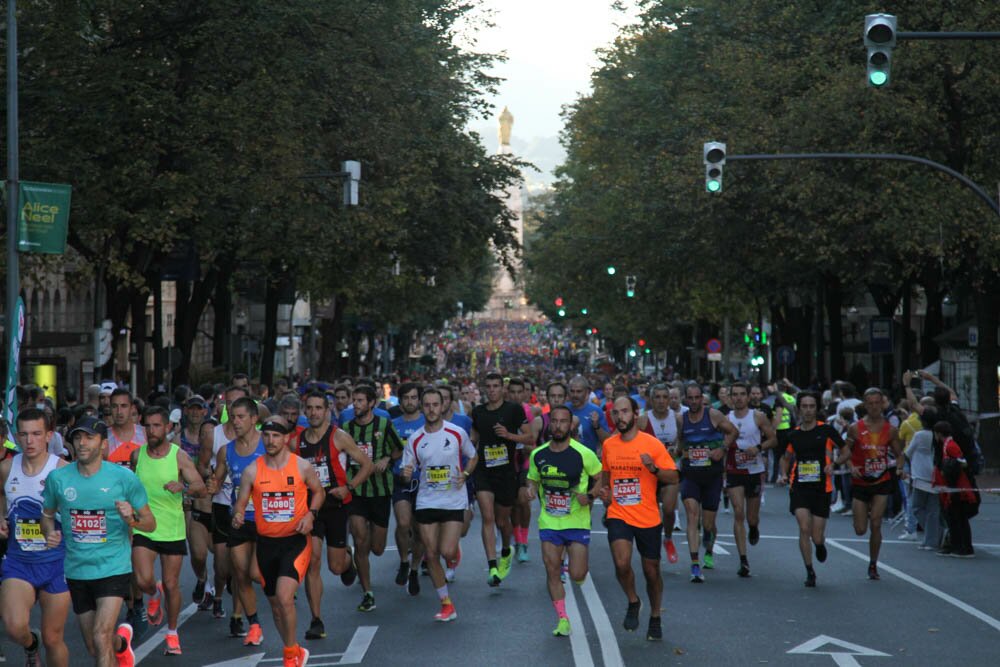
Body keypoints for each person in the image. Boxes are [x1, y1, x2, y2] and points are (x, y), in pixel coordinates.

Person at [41, 416, 156, 667]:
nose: (82, 443)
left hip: (113, 567)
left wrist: (132, 518)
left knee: (100, 634)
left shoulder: (123, 478)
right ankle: (122, 645)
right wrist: (49, 532)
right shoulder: (58, 479)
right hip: (77, 570)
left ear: (103, 444)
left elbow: (150, 523)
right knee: (96, 646)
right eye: (77, 437)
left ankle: (115, 644)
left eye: (89, 438)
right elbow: (47, 516)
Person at [232, 417, 325, 667]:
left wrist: (310, 515)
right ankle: (293, 648)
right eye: (267, 435)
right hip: (266, 545)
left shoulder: (302, 467)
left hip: (295, 541)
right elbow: (240, 503)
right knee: (275, 606)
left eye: (276, 436)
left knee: (285, 598)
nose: (270, 440)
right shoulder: (253, 470)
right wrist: (239, 515)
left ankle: (289, 656)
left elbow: (319, 491)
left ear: (286, 439)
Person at [598, 396, 677, 641]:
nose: (619, 417)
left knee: (651, 570)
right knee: (621, 564)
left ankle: (655, 615)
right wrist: (605, 493)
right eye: (615, 413)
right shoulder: (610, 445)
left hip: (647, 516)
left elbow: (673, 477)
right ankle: (633, 600)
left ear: (635, 414)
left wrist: (653, 468)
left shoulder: (651, 444)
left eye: (624, 412)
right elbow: (605, 476)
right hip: (618, 513)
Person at [129, 406, 207, 655]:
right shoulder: (136, 456)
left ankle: (172, 633)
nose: (151, 431)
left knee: (172, 584)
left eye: (156, 426)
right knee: (141, 579)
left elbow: (200, 487)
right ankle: (153, 592)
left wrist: (183, 486)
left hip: (171, 528)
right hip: (144, 526)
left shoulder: (179, 456)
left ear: (167, 428)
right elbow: (130, 486)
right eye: (147, 426)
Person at [297, 390, 371, 640]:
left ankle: (347, 559)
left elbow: (367, 464)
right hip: (311, 509)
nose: (314, 412)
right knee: (312, 563)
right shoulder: (297, 441)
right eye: (310, 408)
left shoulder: (339, 437)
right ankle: (316, 620)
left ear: (327, 411)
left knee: (336, 567)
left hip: (337, 507)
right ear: (304, 411)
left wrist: (348, 487)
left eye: (319, 408)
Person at [0, 408, 70, 666]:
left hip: (55, 562)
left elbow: (76, 510)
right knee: (14, 626)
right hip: (19, 561)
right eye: (24, 434)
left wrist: (59, 532)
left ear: (49, 435)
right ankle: (31, 643)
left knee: (54, 638)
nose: (30, 441)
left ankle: (42, 644)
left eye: (37, 434)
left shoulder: (62, 471)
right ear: (16, 436)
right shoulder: (7, 468)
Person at [401, 386, 478, 622]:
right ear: (423, 407)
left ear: (443, 406)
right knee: (431, 553)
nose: (432, 409)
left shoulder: (456, 433)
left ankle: (454, 552)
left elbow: (473, 456)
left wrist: (464, 473)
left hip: (454, 499)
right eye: (427, 405)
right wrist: (407, 473)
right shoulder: (415, 439)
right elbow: (407, 471)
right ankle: (446, 604)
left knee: (446, 551)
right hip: (426, 500)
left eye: (436, 404)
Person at [527, 405, 601, 637]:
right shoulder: (538, 454)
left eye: (563, 422)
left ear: (571, 425)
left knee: (578, 574)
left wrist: (589, 496)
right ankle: (562, 619)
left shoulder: (583, 453)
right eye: (555, 421)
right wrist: (530, 489)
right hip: (549, 522)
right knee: (552, 570)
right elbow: (533, 480)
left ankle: (577, 575)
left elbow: (601, 478)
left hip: (577, 521)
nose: (558, 426)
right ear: (550, 425)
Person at [207, 396, 266, 645]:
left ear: (254, 419)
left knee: (254, 572)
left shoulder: (269, 444)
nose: (236, 421)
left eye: (242, 417)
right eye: (233, 417)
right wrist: (211, 485)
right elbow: (216, 481)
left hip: (267, 519)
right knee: (239, 574)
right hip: (239, 519)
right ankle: (253, 624)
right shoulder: (226, 450)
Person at [470, 371, 534, 586]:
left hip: (506, 472)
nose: (492, 390)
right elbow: (474, 439)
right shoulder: (478, 412)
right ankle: (492, 567)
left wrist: (509, 435)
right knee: (488, 518)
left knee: (501, 521)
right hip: (484, 471)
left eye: (496, 386)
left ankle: (507, 548)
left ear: (502, 389)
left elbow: (530, 436)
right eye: (488, 386)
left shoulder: (513, 410)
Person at [343, 383, 403, 612]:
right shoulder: (346, 428)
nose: (356, 405)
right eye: (354, 400)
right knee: (359, 538)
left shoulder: (384, 424)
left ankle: (362, 555)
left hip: (380, 490)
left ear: (371, 404)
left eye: (360, 401)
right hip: (356, 490)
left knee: (376, 547)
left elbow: (398, 449)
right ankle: (367, 592)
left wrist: (387, 458)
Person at [777, 392, 846, 587]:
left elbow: (846, 450)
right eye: (804, 406)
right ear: (799, 409)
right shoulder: (793, 434)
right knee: (804, 528)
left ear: (817, 409)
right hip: (799, 487)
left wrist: (834, 463)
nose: (808, 410)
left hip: (822, 488)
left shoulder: (827, 431)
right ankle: (809, 571)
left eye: (811, 406)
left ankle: (820, 544)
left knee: (816, 534)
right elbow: (786, 457)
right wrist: (783, 474)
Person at [677, 383, 737, 582]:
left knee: (708, 523)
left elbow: (733, 432)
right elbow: (680, 444)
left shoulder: (713, 415)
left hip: (712, 475)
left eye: (697, 398)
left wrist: (722, 448)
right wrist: (680, 452)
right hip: (690, 474)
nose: (694, 402)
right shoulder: (681, 419)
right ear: (686, 399)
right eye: (690, 398)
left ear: (702, 398)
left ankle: (709, 550)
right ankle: (695, 565)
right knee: (693, 516)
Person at [843, 387, 902, 580]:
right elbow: (845, 452)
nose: (875, 407)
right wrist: (851, 465)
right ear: (865, 405)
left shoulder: (890, 429)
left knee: (876, 523)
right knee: (860, 529)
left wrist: (899, 468)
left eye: (878, 402)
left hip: (881, 480)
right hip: (860, 481)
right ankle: (861, 515)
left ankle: (873, 564)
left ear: (882, 403)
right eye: (871, 403)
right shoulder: (855, 428)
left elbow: (900, 455)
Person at [198, 385, 245, 630]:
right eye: (230, 404)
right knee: (222, 565)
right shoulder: (213, 435)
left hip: (246, 509)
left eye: (240, 405)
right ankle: (217, 593)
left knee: (240, 566)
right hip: (220, 504)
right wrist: (213, 479)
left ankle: (237, 616)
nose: (234, 410)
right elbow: (203, 464)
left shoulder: (257, 437)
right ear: (223, 405)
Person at [725, 382, 777, 577]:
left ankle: (754, 527)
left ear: (748, 397)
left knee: (751, 517)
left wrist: (758, 448)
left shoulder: (758, 417)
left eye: (741, 394)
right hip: (734, 470)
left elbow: (773, 439)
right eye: (735, 394)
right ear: (730, 398)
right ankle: (743, 560)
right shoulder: (726, 419)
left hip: (754, 471)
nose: (738, 398)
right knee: (738, 512)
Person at [637, 384, 682, 563]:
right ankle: (653, 543)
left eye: (665, 397)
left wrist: (677, 450)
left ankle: (668, 538)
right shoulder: (642, 420)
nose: (662, 401)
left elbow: (683, 440)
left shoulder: (678, 418)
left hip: (670, 471)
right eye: (658, 397)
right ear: (651, 399)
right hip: (649, 473)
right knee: (653, 512)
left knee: (669, 509)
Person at [390, 382, 426, 594]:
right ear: (401, 401)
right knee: (403, 523)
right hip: (401, 480)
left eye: (414, 397)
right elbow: (389, 452)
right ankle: (404, 560)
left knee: (420, 531)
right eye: (406, 398)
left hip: (424, 483)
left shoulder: (427, 422)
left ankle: (414, 569)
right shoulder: (393, 424)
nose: (410, 402)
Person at [933, 422, 979, 557]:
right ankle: (960, 546)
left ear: (939, 433)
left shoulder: (951, 446)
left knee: (957, 517)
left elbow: (960, 464)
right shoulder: (948, 445)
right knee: (957, 517)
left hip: (956, 487)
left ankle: (962, 547)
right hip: (955, 485)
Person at [905, 409, 944, 551]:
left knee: (917, 507)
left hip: (920, 474)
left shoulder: (919, 435)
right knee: (933, 509)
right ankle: (933, 537)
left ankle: (932, 536)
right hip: (934, 473)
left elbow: (908, 452)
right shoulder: (936, 435)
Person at [106, 388, 147, 469]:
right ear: (110, 408)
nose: (119, 412)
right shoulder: (103, 437)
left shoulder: (146, 434)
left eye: (124, 406)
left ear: (132, 408)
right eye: (114, 406)